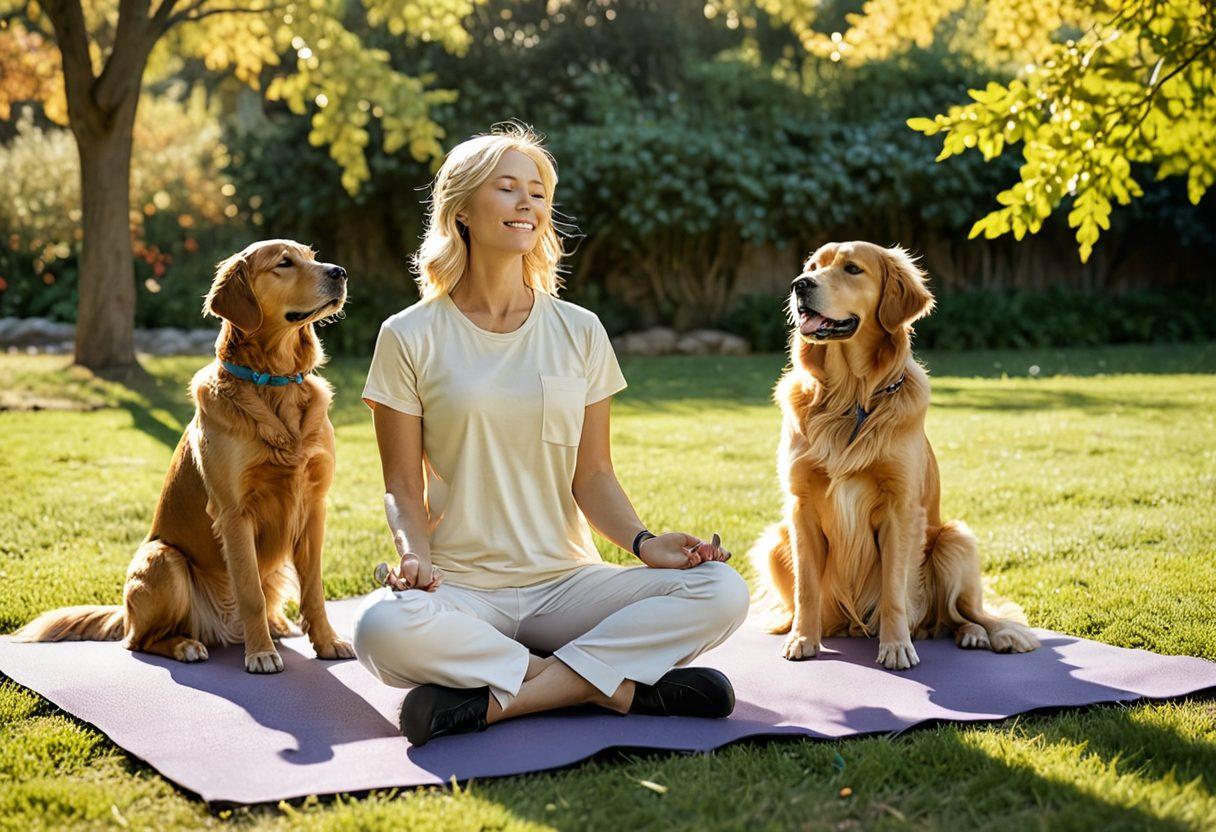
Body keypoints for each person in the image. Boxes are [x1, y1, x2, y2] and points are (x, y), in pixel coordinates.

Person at [350, 122, 751, 746]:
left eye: (538, 192)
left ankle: (497, 703)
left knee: (721, 589)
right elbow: (402, 484)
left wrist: (645, 543)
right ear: (462, 212)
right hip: (462, 588)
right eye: (507, 188)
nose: (528, 203)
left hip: (567, 585)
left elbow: (592, 476)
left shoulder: (581, 330)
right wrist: (414, 558)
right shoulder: (409, 334)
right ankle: (619, 690)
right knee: (378, 629)